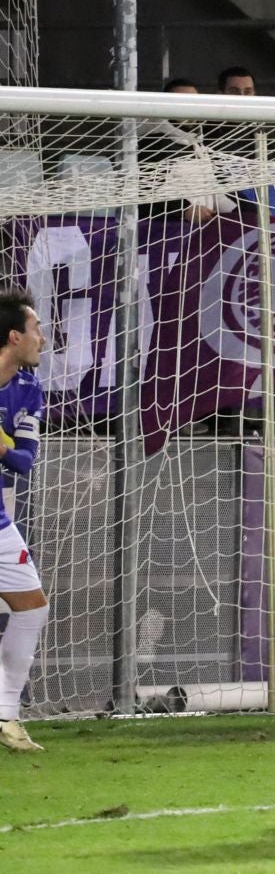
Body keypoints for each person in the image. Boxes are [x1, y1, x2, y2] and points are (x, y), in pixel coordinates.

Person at [0, 290, 47, 752]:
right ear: (14, 336)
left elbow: (25, 462)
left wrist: (2, 446)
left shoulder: (29, 389)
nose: (44, 339)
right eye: (36, 330)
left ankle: (7, 718)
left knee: (32, 607)